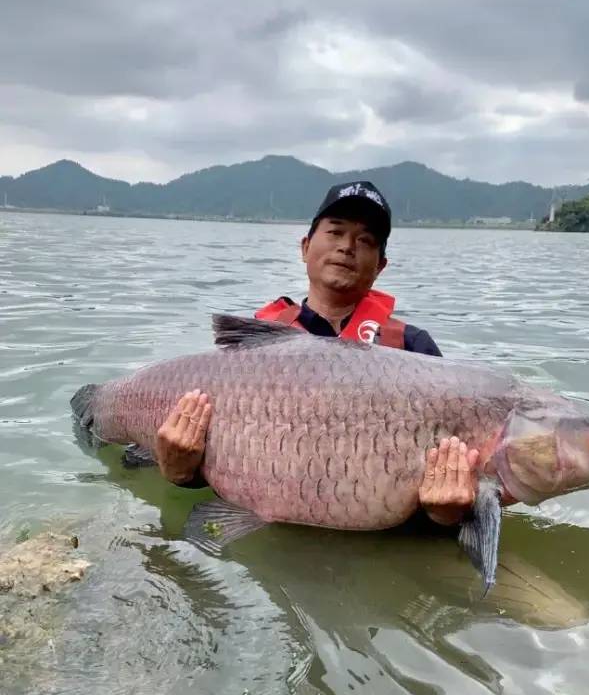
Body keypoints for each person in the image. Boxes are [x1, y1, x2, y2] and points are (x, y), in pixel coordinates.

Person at [155, 181, 495, 526]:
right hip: (265, 546)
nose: (347, 247)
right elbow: (206, 470)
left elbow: (450, 492)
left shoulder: (414, 349)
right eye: (335, 232)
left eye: (365, 240)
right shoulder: (250, 353)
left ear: (381, 266)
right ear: (305, 247)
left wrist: (447, 513)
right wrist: (180, 472)